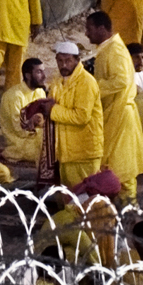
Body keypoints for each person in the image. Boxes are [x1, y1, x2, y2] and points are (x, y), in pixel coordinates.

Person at [85, 10, 143, 200]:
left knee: (122, 165)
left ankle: (130, 207)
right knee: (112, 162)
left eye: (89, 29)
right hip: (114, 112)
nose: (87, 33)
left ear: (102, 28)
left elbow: (120, 80)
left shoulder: (117, 51)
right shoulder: (108, 49)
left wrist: (93, 87)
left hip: (121, 114)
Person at [43, 40, 105, 188]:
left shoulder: (86, 82)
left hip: (84, 152)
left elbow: (81, 116)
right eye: (60, 61)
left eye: (68, 61)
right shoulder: (57, 80)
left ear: (77, 60)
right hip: (66, 152)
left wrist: (52, 110)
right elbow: (50, 106)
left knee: (84, 200)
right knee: (68, 199)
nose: (63, 65)